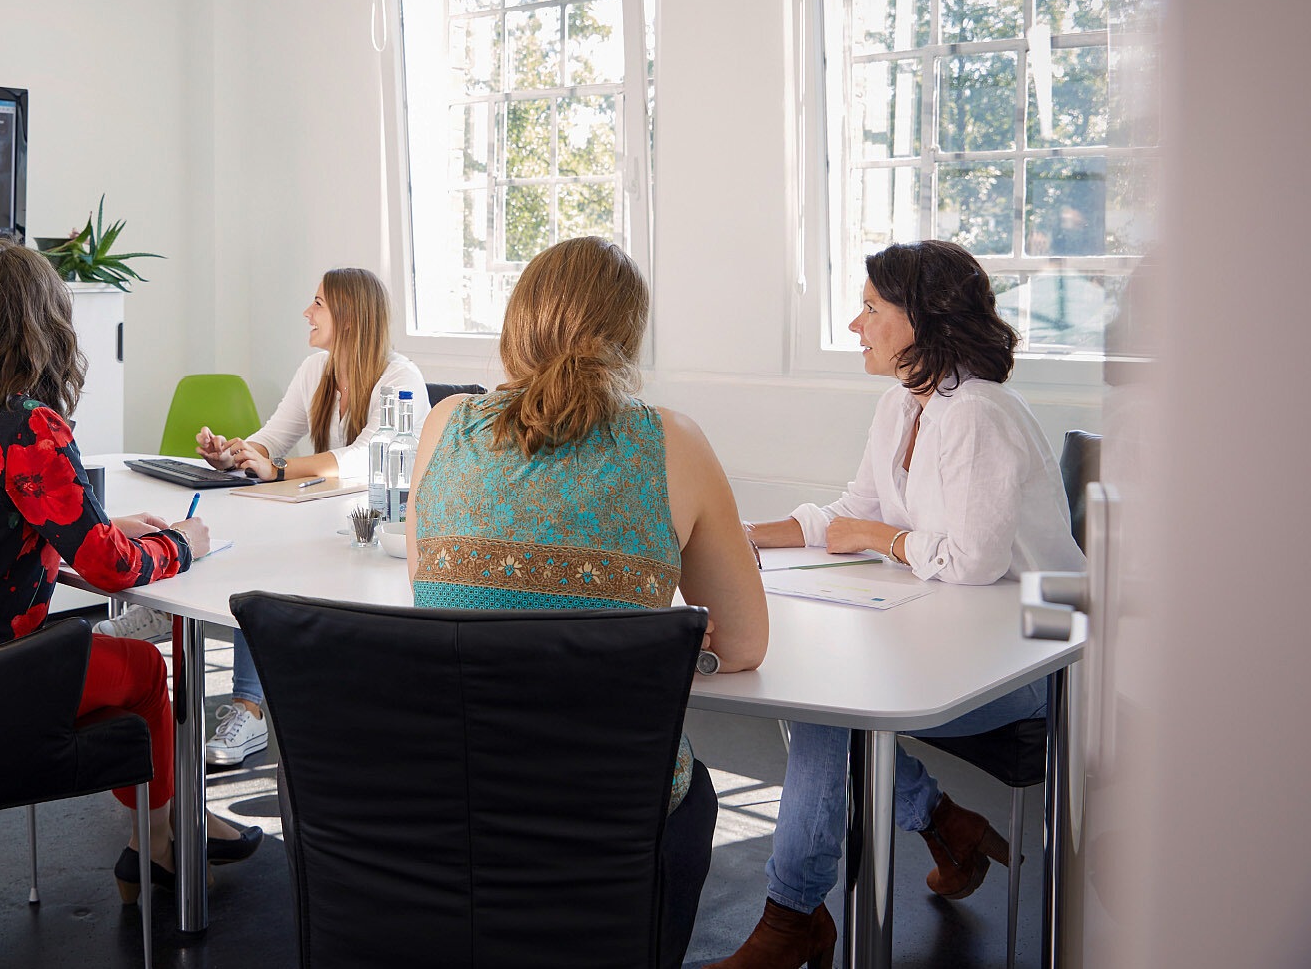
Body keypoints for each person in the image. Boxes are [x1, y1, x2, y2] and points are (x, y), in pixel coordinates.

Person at [709, 240, 1086, 969]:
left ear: (923, 318)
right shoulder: (900, 406)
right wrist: (741, 534)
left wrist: (882, 536)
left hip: (1044, 648)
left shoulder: (978, 412)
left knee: (826, 708)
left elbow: (969, 561)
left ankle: (793, 918)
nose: (857, 325)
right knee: (823, 696)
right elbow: (852, 513)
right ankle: (940, 824)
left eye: (872, 309)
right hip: (967, 631)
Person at [405, 235, 768, 965]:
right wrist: (653, 641)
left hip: (450, 796)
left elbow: (437, 596)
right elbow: (744, 642)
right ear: (628, 336)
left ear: (517, 325)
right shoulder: (672, 443)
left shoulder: (446, 426)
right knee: (692, 796)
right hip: (612, 807)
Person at [0, 240, 261, 894]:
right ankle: (157, 844)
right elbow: (110, 571)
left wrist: (101, 529)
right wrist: (185, 543)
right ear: (42, 323)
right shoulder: (28, 424)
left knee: (117, 657)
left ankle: (177, 824)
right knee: (142, 674)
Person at [97, 267, 428, 767]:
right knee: (231, 526)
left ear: (350, 314)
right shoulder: (316, 370)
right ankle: (167, 611)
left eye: (318, 303)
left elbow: (367, 457)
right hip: (322, 516)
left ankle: (248, 708)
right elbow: (271, 438)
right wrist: (234, 454)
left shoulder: (400, 378)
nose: (306, 313)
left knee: (263, 565)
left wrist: (276, 468)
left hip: (372, 530)